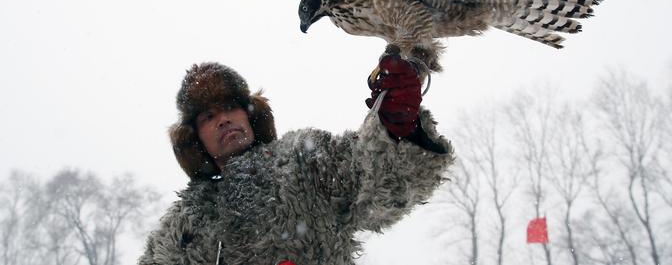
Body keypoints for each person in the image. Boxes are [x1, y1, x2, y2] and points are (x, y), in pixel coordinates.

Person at [137, 55, 453, 265]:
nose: (224, 120)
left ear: (249, 115)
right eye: (209, 115)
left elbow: (380, 185)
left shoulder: (304, 160)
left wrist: (398, 125)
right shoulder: (185, 227)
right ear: (195, 138)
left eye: (230, 107)